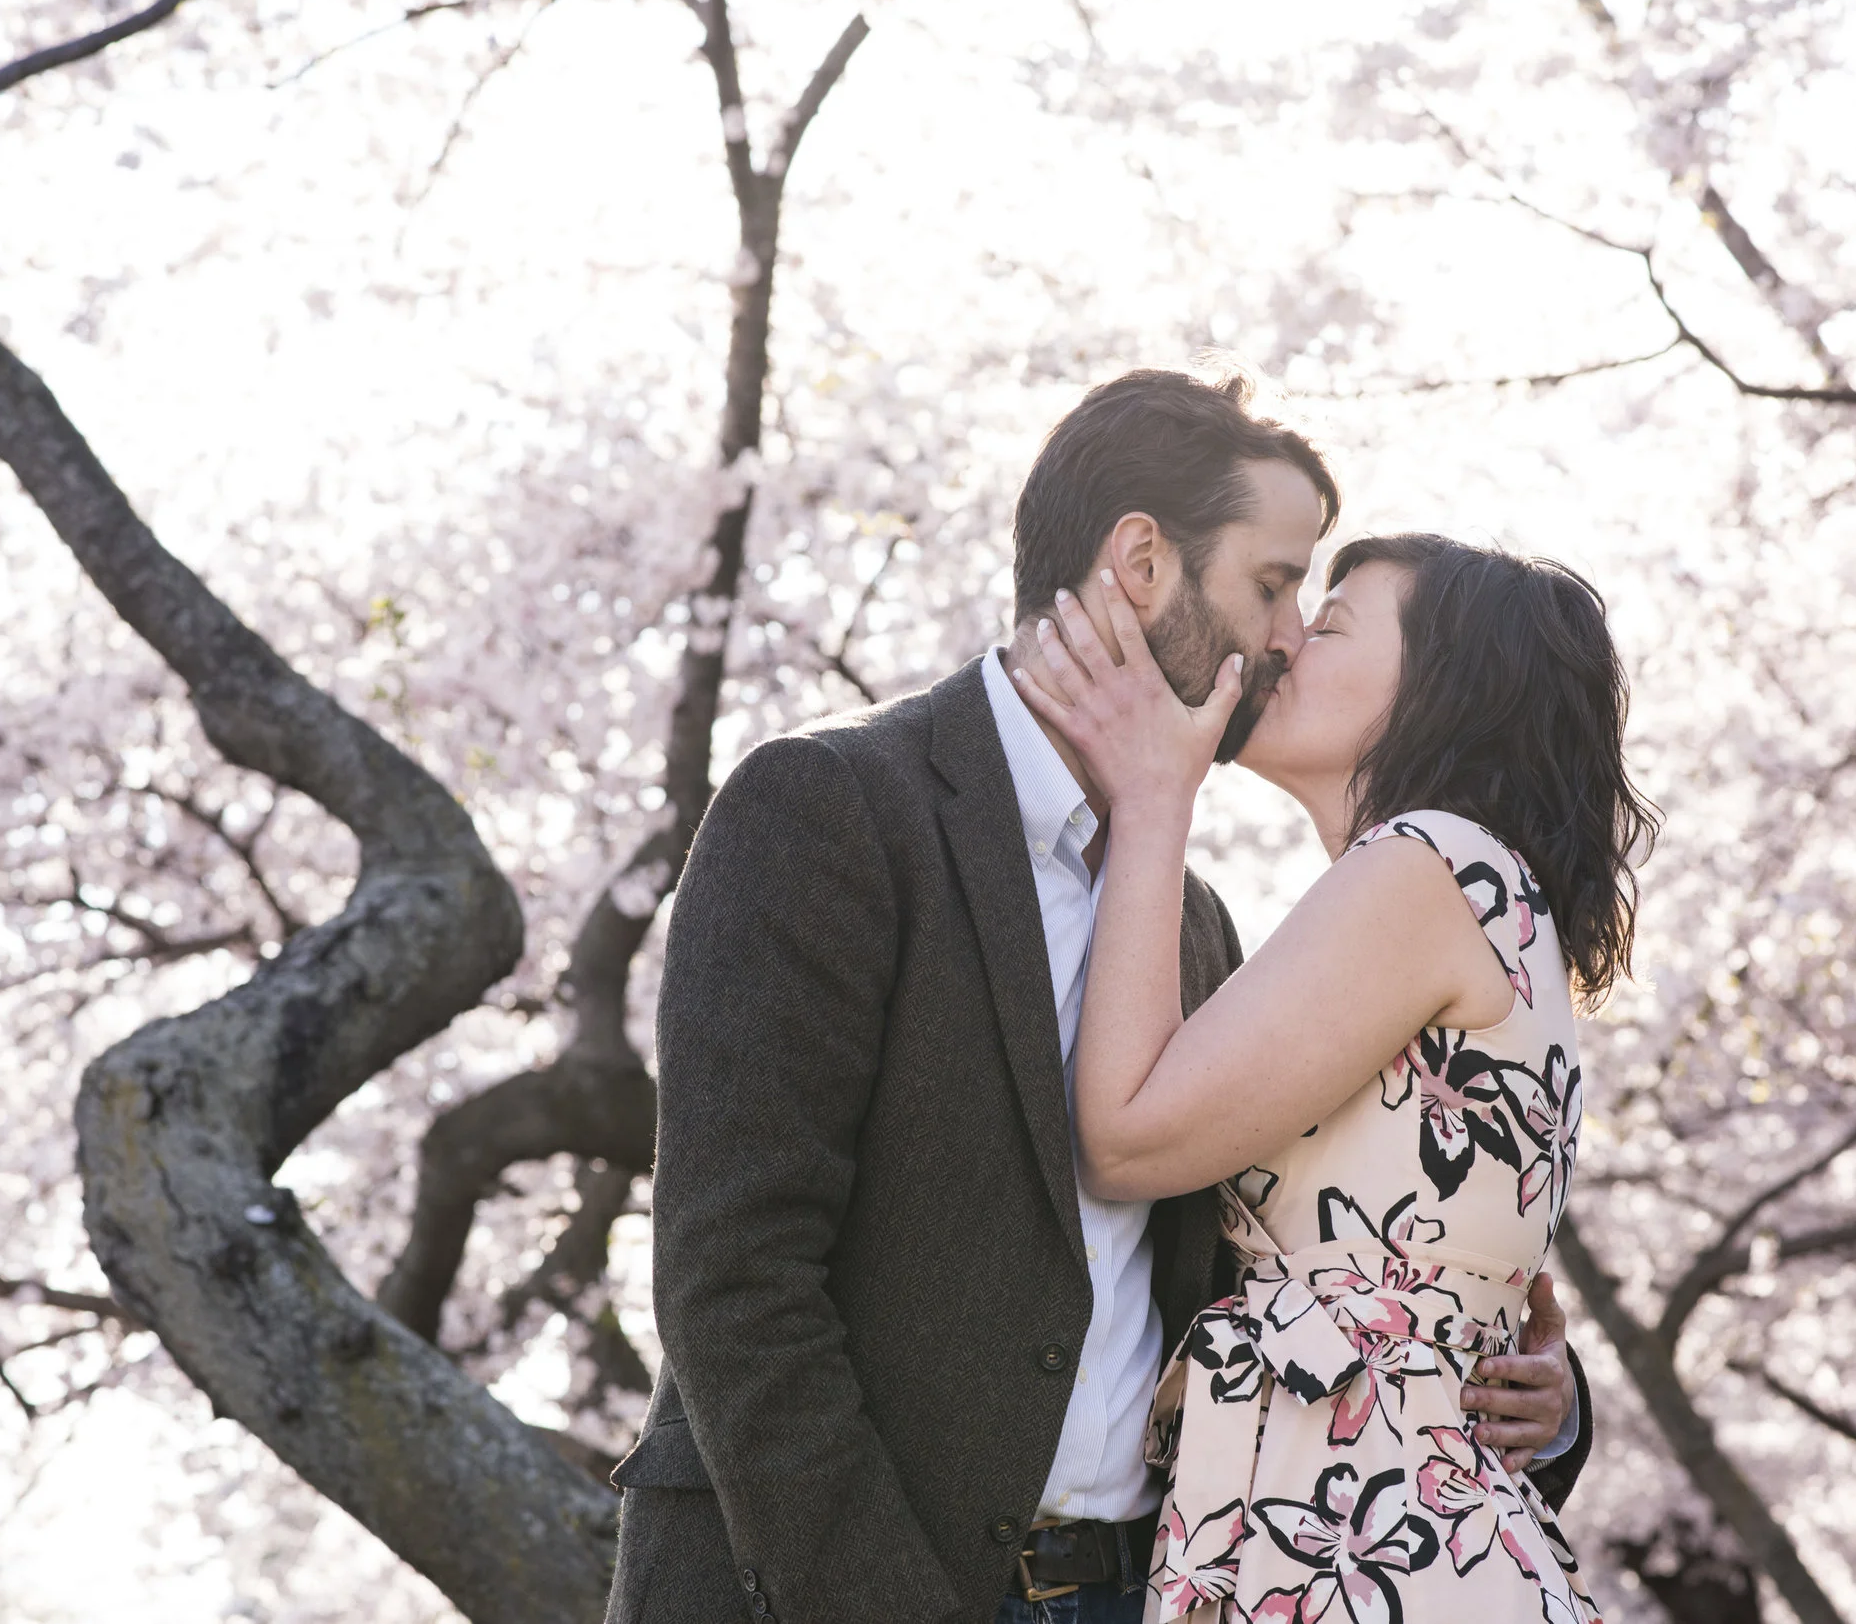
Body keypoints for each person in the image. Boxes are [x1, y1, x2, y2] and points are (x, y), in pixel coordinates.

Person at [605, 371, 1592, 1624]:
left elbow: (1287, 1272)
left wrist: (1526, 1394)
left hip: (1146, 1585)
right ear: (1141, 561)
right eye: (1274, 584)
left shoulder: (1194, 920)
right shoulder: (832, 807)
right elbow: (730, 1274)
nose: (1288, 634)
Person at [1012, 530, 1654, 1623]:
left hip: (1372, 1552)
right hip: (1368, 1536)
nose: (1286, 639)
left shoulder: (1430, 863)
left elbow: (1123, 1137)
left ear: (1445, 688)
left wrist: (1152, 793)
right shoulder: (1464, 886)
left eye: (1335, 622)